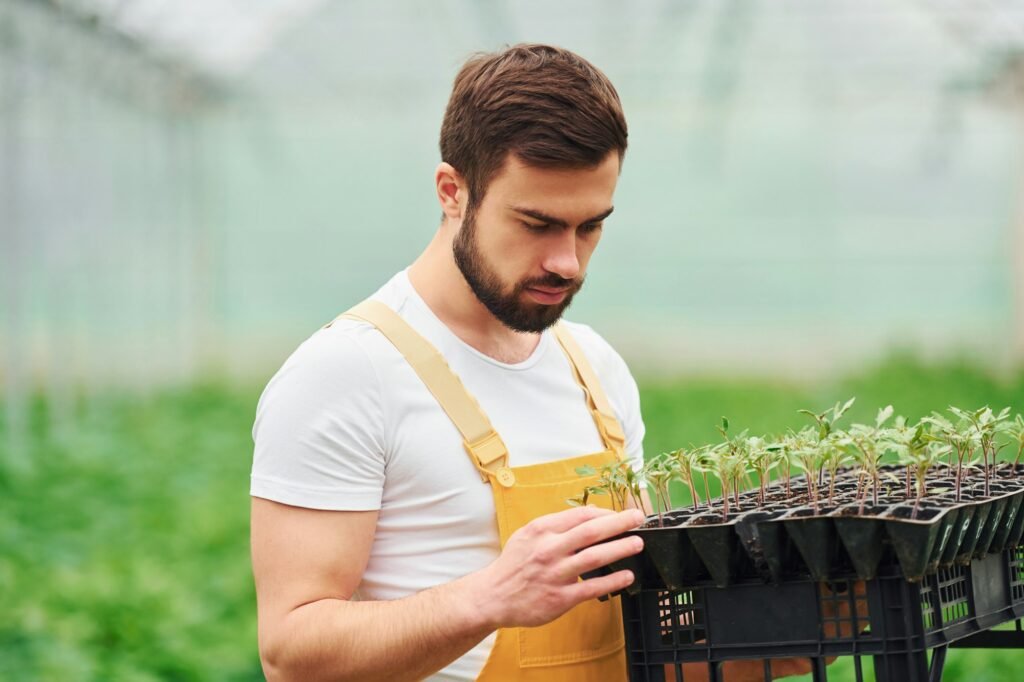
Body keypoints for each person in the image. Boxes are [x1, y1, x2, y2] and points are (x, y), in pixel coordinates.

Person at [250, 43, 810, 682]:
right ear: (452, 192)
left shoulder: (593, 367)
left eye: (590, 227)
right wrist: (488, 597)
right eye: (537, 223)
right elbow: (291, 652)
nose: (567, 262)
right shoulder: (346, 372)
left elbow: (625, 641)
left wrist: (753, 649)